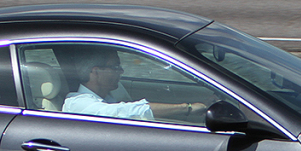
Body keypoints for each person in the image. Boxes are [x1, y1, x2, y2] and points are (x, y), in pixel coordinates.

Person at [62, 50, 209, 121]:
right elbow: (123, 112)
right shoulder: (77, 103)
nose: (121, 71)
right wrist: (187, 108)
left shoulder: (113, 92)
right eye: (115, 67)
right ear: (96, 71)